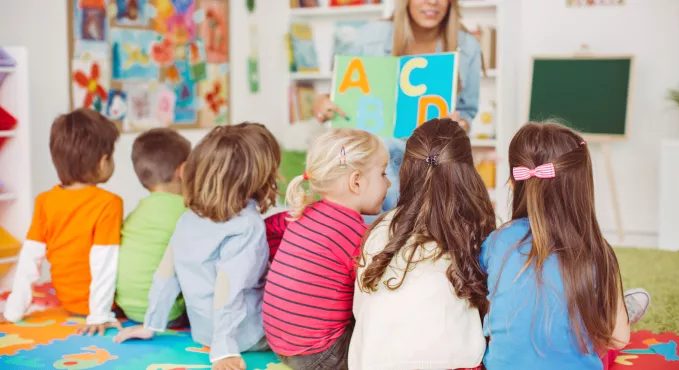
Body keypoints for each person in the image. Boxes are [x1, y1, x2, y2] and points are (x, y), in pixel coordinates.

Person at [480, 122, 650, 370]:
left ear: (515, 183)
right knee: (604, 341)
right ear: (582, 188)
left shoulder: (496, 242)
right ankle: (617, 308)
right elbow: (619, 339)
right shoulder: (596, 251)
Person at [113, 123, 282, 370]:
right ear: (259, 178)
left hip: (202, 331)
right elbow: (229, 288)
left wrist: (152, 323)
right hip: (244, 336)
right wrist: (224, 350)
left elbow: (166, 272)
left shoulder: (187, 218)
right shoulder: (247, 225)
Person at [313, 0, 482, 221]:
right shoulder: (369, 36)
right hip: (369, 169)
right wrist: (323, 102)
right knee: (366, 243)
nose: (432, 2)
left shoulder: (467, 46)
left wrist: (460, 125)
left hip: (430, 169)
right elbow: (342, 94)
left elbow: (467, 111)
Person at [350, 118, 492, 370]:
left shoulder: (380, 229)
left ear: (406, 169)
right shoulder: (478, 229)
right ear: (467, 173)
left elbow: (360, 311)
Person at [262, 128, 390, 370]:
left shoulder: (301, 213)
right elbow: (375, 290)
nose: (389, 182)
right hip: (320, 355)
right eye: (383, 174)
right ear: (356, 182)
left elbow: (266, 230)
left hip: (278, 342)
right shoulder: (355, 233)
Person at [1, 108, 123, 336]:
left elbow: (30, 258)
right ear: (102, 162)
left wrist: (13, 310)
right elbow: (104, 262)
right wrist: (99, 314)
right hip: (102, 305)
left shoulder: (45, 201)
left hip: (67, 301)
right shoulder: (109, 203)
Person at [114, 128, 191, 326]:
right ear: (182, 171)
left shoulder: (136, 213)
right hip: (169, 314)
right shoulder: (185, 211)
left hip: (128, 308)